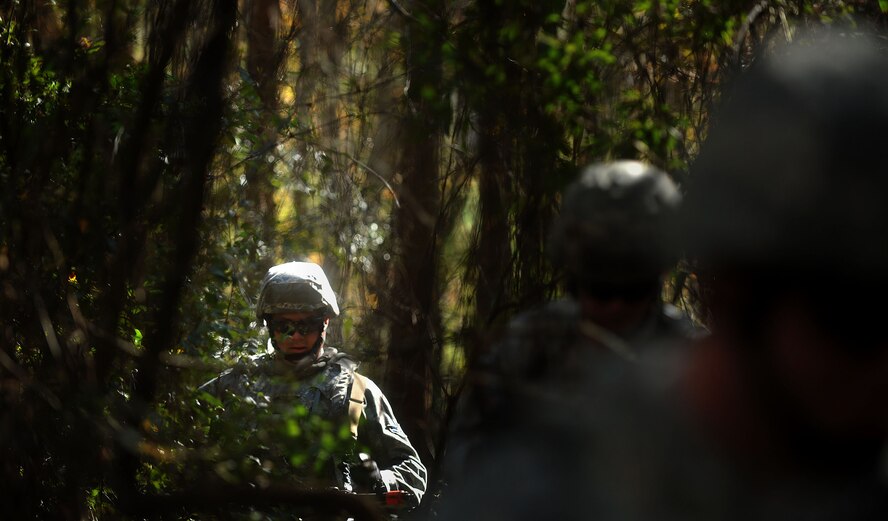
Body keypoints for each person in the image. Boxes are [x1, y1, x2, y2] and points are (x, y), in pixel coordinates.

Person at [444, 160, 696, 478]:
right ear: (576, 279)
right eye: (601, 289)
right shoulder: (528, 346)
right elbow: (464, 461)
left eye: (633, 289)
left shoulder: (693, 359)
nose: (615, 306)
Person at [201, 261, 427, 508]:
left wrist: (380, 480)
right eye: (284, 326)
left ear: (325, 322)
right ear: (270, 327)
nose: (295, 336)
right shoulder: (233, 386)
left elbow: (414, 473)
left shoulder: (356, 392)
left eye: (306, 325)